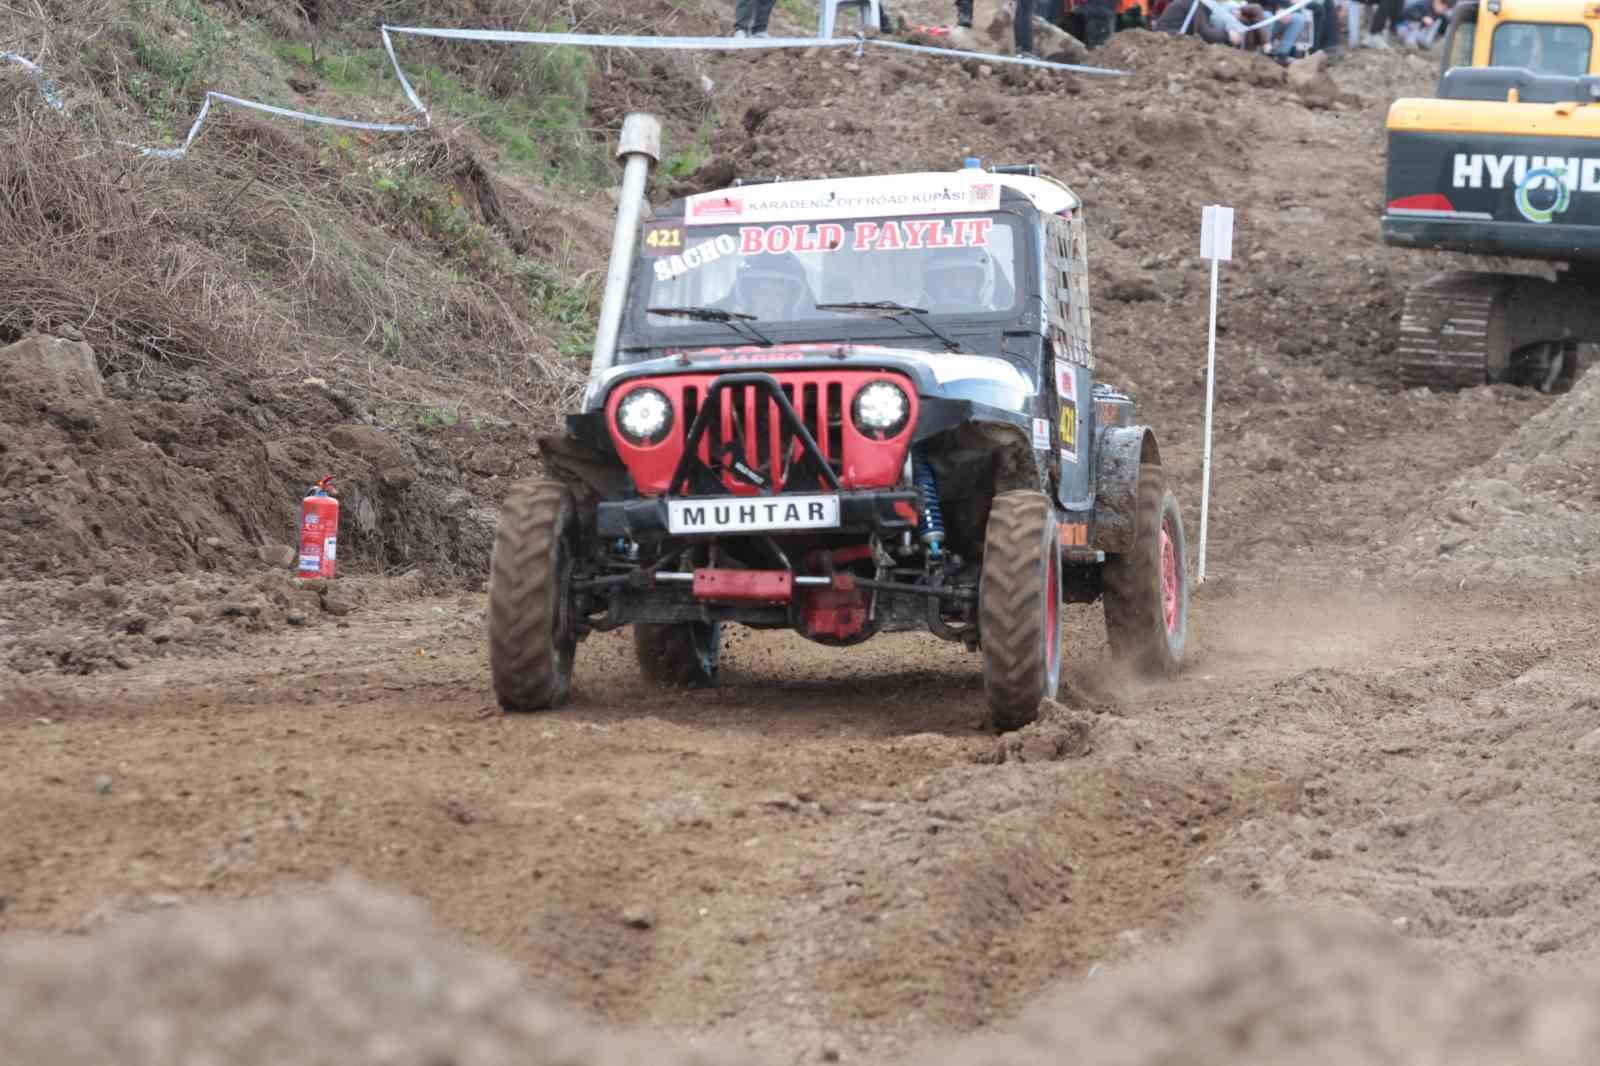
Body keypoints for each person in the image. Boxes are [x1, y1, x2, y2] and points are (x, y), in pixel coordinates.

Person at [723, 253, 816, 320]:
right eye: (763, 293)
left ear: (789, 302)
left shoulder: (806, 336)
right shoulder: (723, 330)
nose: (771, 301)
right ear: (750, 296)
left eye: (779, 295)